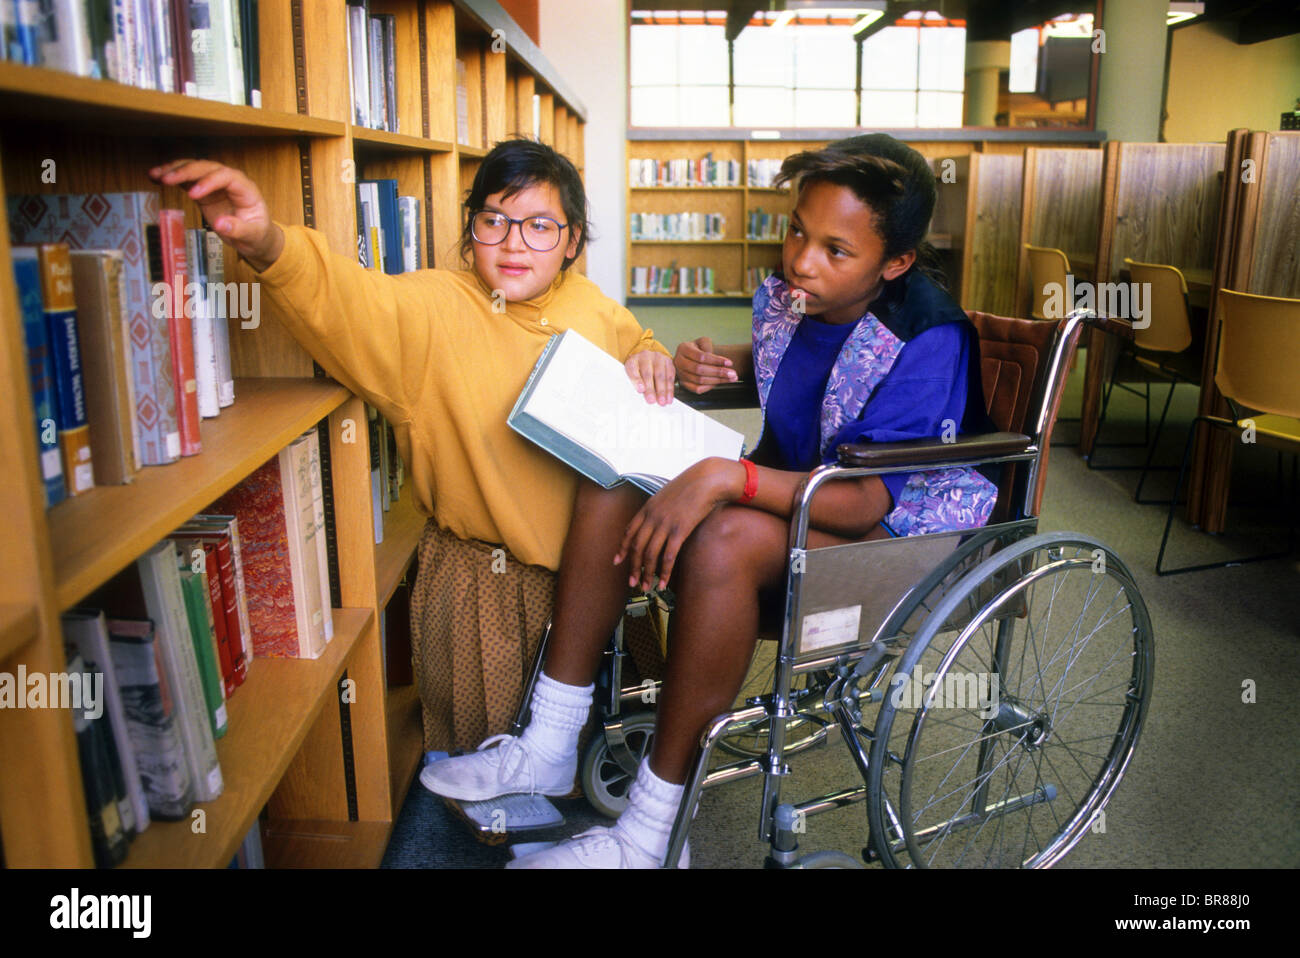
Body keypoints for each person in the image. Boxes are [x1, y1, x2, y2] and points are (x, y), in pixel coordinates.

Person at [419, 133, 1000, 869]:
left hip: (894, 541)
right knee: (616, 479)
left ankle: (652, 835)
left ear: (895, 264)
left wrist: (731, 479)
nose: (801, 260)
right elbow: (808, 386)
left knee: (723, 539)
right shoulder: (797, 300)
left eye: (834, 250)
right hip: (800, 501)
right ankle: (549, 743)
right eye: (796, 230)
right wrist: (706, 371)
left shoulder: (927, 337)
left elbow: (860, 504)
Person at [148, 140, 677, 753]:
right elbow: (339, 294)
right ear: (470, 227)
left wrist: (650, 356)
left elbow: (640, 338)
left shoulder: (590, 304)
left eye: (539, 226)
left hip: (603, 574)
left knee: (617, 747)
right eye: (493, 221)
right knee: (495, 776)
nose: (512, 244)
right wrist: (264, 241)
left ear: (573, 241)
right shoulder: (428, 306)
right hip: (491, 584)